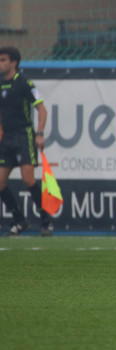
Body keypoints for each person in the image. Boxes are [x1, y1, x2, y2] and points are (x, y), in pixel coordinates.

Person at [0, 46, 53, 236]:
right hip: (6, 138)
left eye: (3, 60)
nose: (0, 64)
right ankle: (19, 220)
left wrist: (39, 133)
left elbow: (42, 109)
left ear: (13, 63)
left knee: (28, 179)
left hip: (23, 135)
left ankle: (45, 220)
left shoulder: (24, 83)